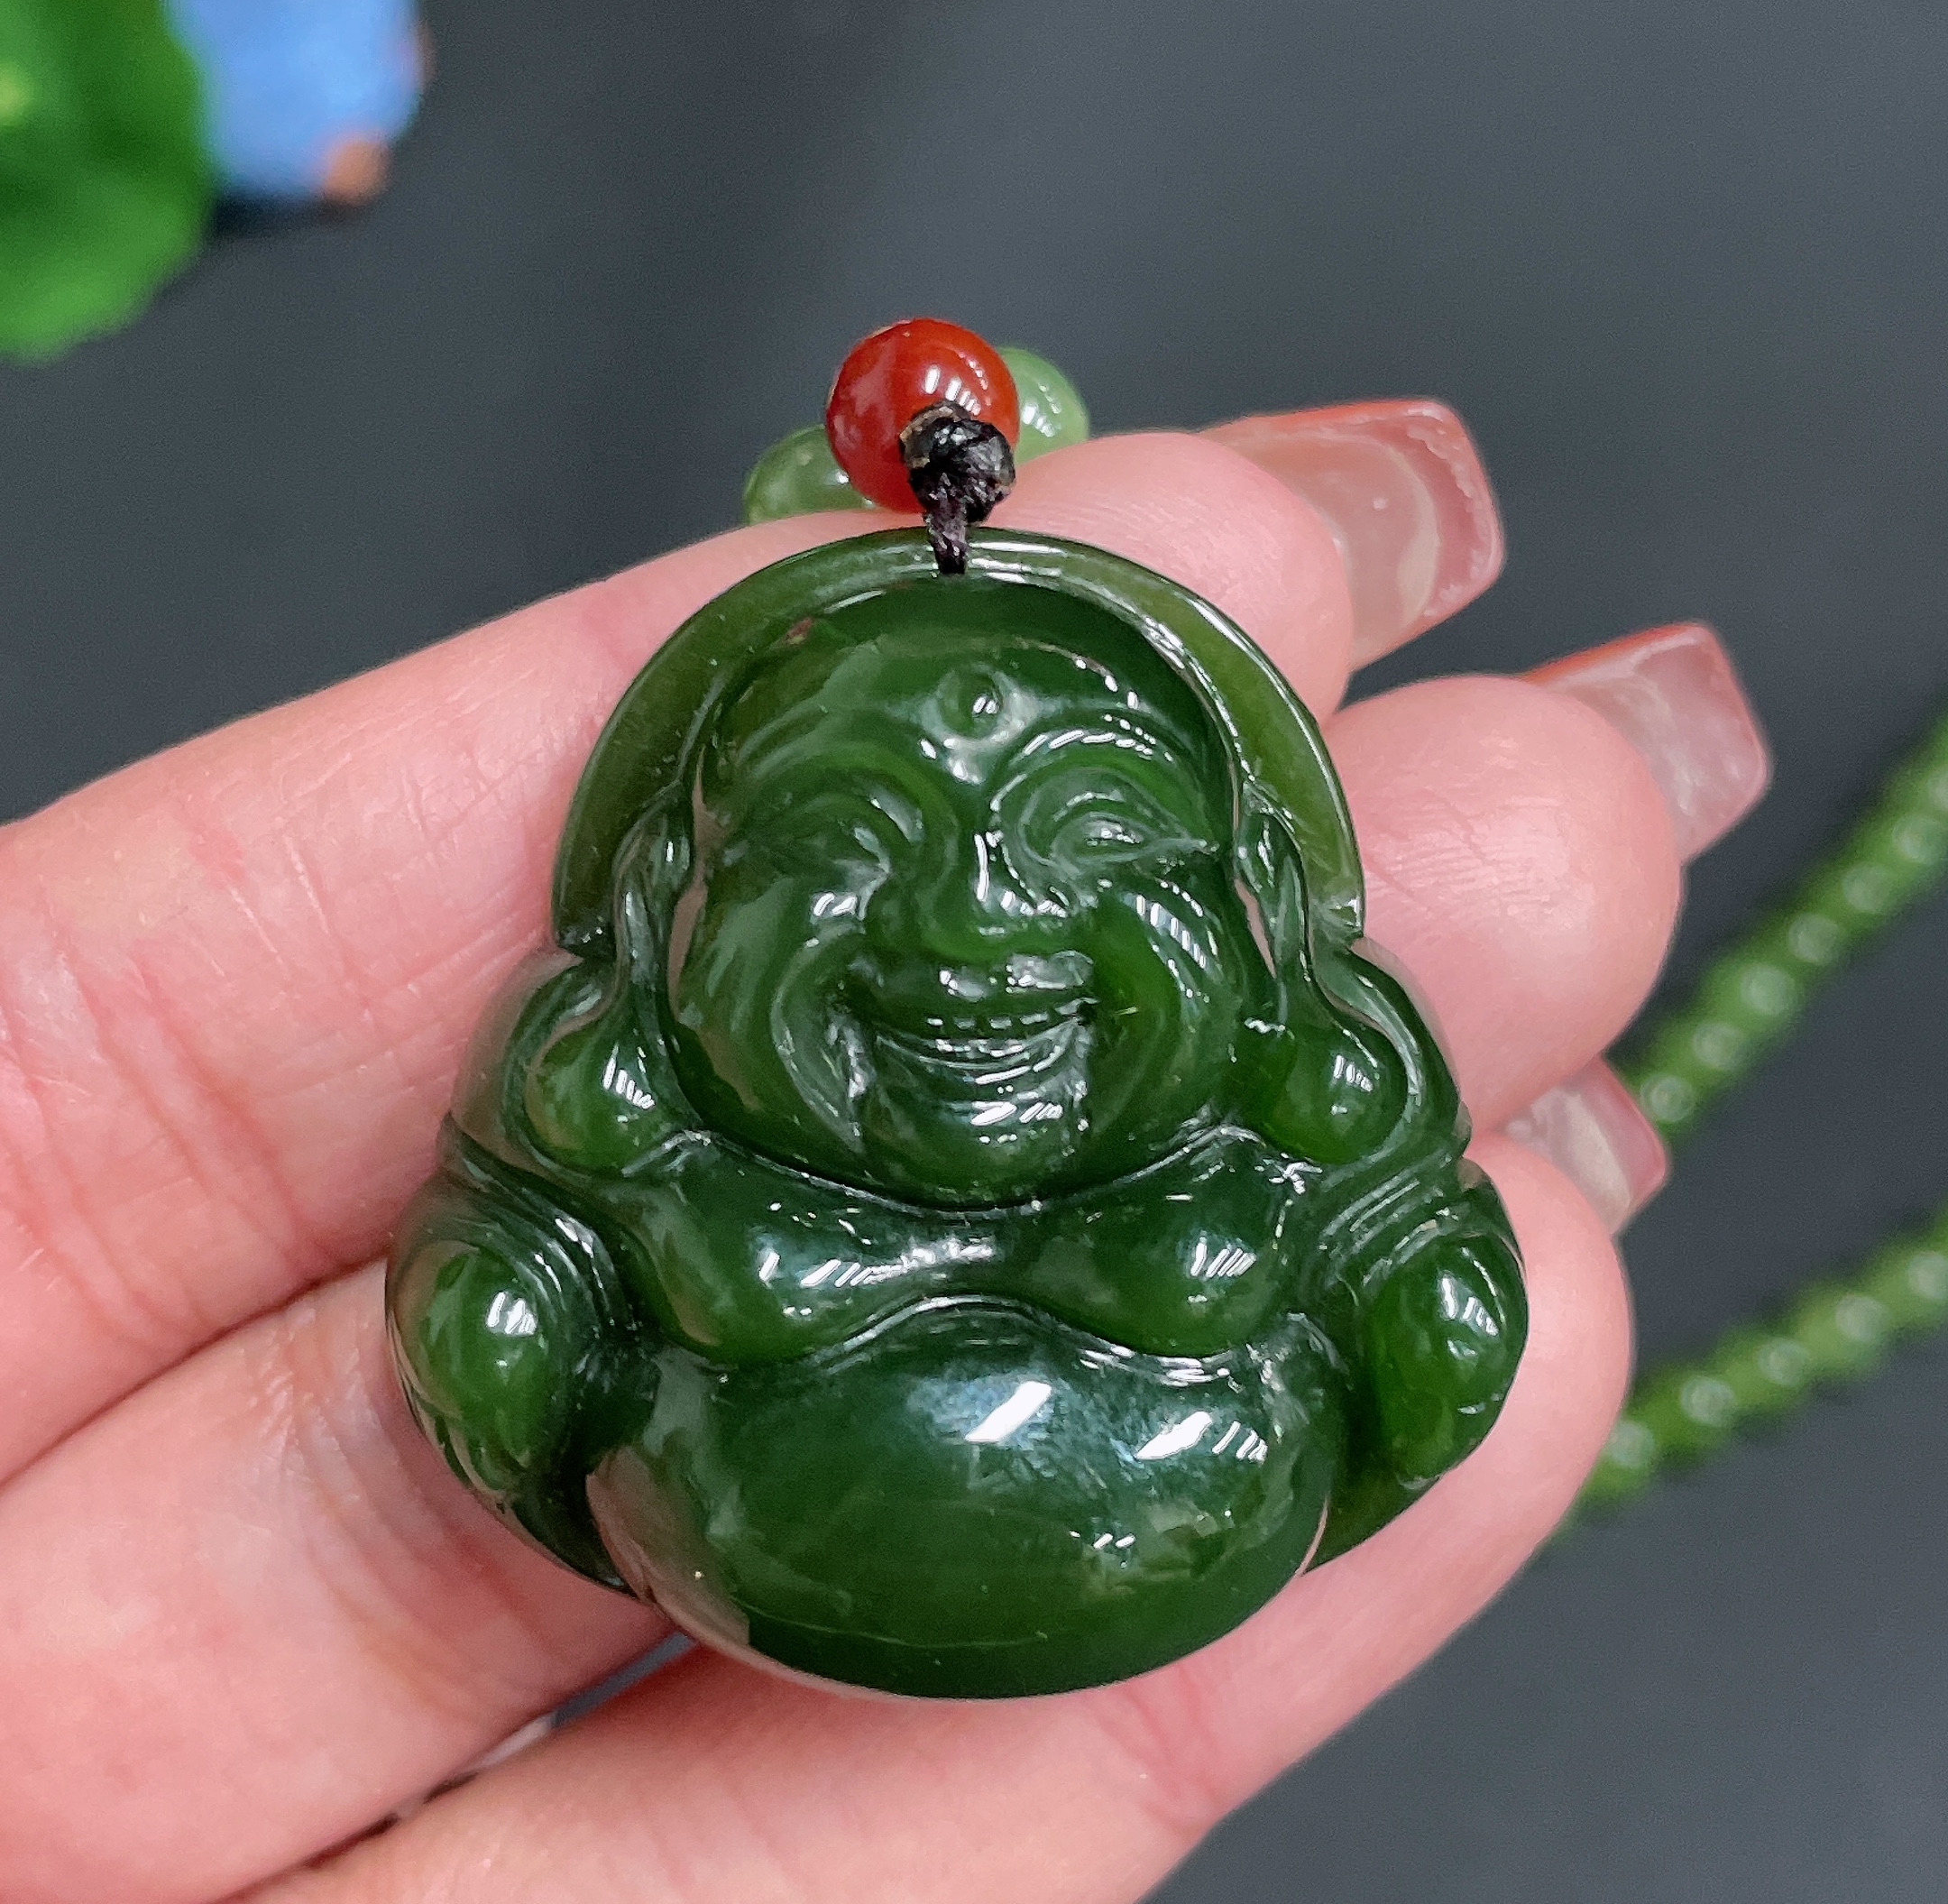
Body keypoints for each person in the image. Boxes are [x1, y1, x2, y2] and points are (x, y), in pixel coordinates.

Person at [0, 422, 1761, 1903]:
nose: (975, 932)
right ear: (672, 908)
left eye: (1090, 831)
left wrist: (1420, 1308)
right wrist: (509, 1324)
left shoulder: (1294, 1134)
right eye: (847, 837)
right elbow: (497, 1296)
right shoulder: (626, 1137)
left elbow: (1419, 1299)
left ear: (1258, 909)